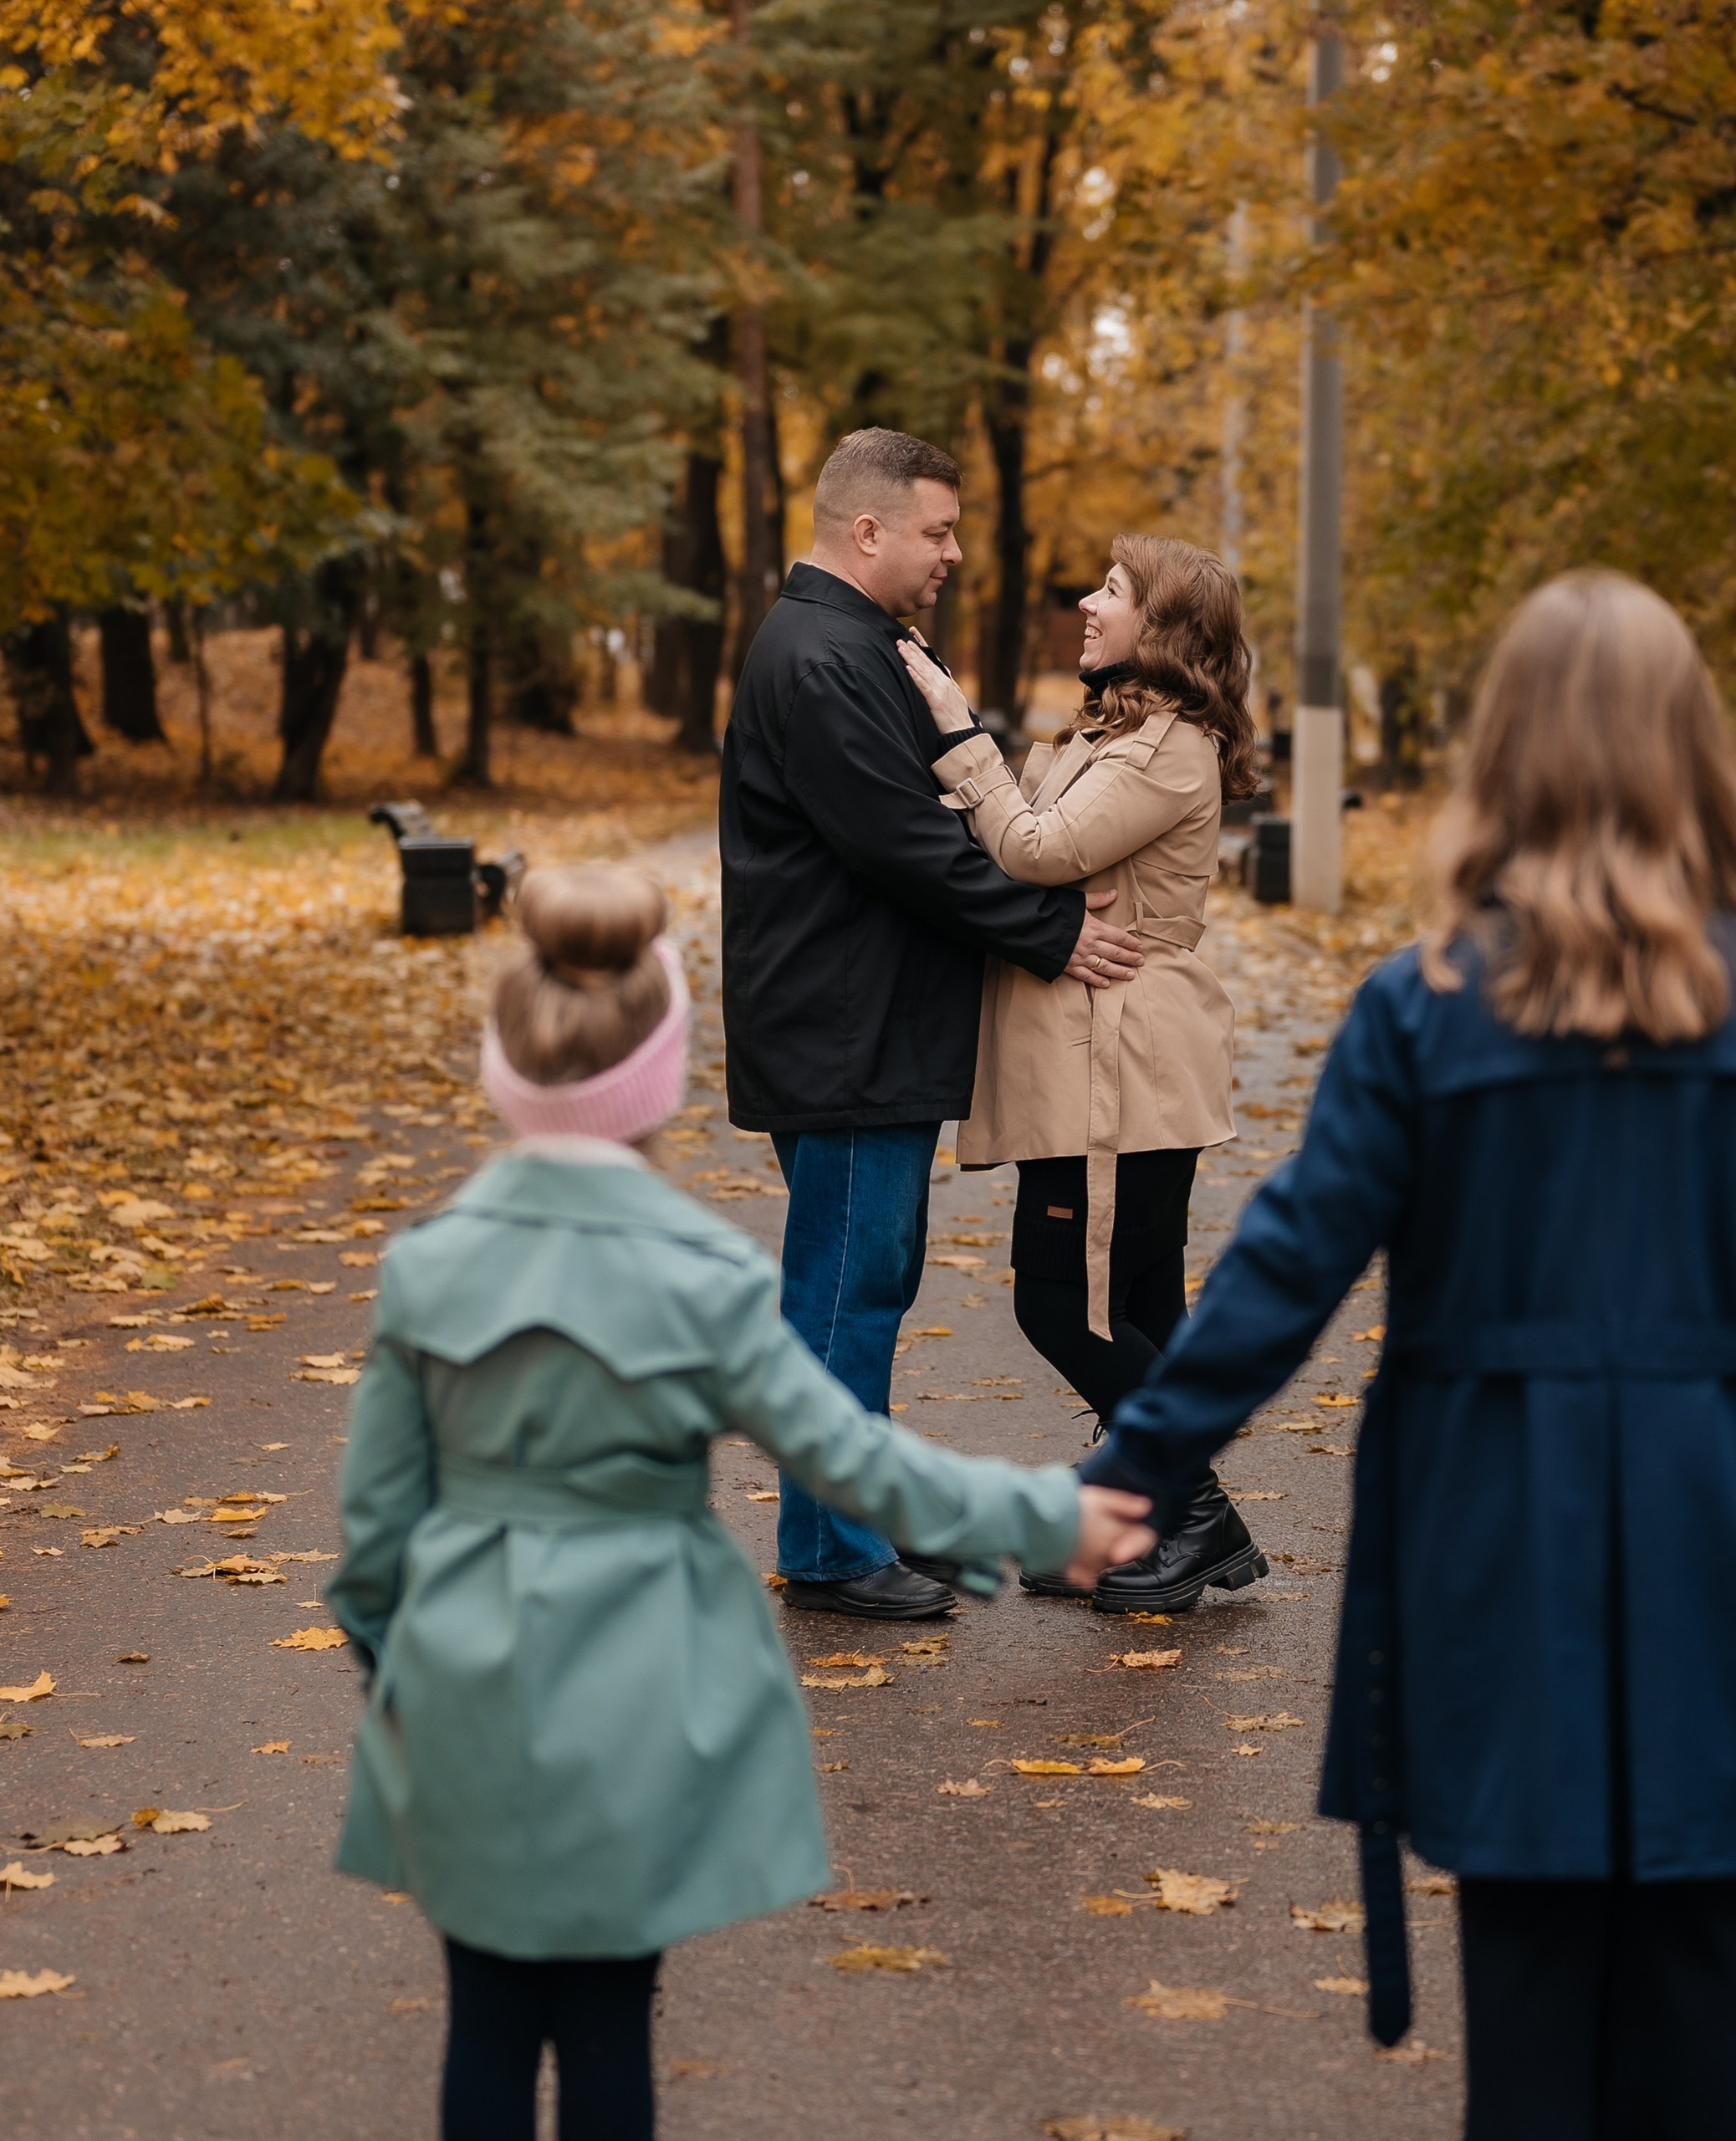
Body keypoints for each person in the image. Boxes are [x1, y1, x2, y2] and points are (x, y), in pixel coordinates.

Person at [1080, 571, 1736, 2138]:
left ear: (1505, 753)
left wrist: (1139, 1469)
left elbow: (1289, 1260)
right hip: (1723, 1517)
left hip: (1495, 1520)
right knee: (1705, 1982)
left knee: (1522, 1986)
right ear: (1691, 754)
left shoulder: (1426, 1007)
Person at [329, 863, 1155, 2141]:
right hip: (641, 1676)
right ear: (657, 1085)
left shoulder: (428, 1270)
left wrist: (400, 1667)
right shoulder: (703, 1274)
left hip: (462, 1676)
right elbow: (860, 1462)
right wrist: (1050, 1517)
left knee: (485, 2017)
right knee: (611, 2020)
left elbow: (376, 1535)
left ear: (507, 1069)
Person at [720, 427, 1146, 1620]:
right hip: (844, 1035)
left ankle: (854, 1527)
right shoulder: (823, 658)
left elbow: (941, 820)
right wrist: (1054, 933)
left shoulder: (858, 645)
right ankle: (832, 1551)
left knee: (866, 1282)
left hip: (859, 1028)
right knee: (847, 1292)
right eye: (937, 529)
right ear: (868, 531)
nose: (955, 552)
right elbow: (909, 849)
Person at [896, 534, 1269, 1613]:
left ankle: (1194, 1516)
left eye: (1112, 590)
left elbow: (1032, 848)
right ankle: (1140, 1522)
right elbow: (1039, 845)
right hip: (1109, 1054)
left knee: (1070, 1304)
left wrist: (960, 732)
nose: (1085, 602)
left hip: (1119, 1059)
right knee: (1138, 1295)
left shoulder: (1166, 747)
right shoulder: (1127, 733)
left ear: (1165, 630)